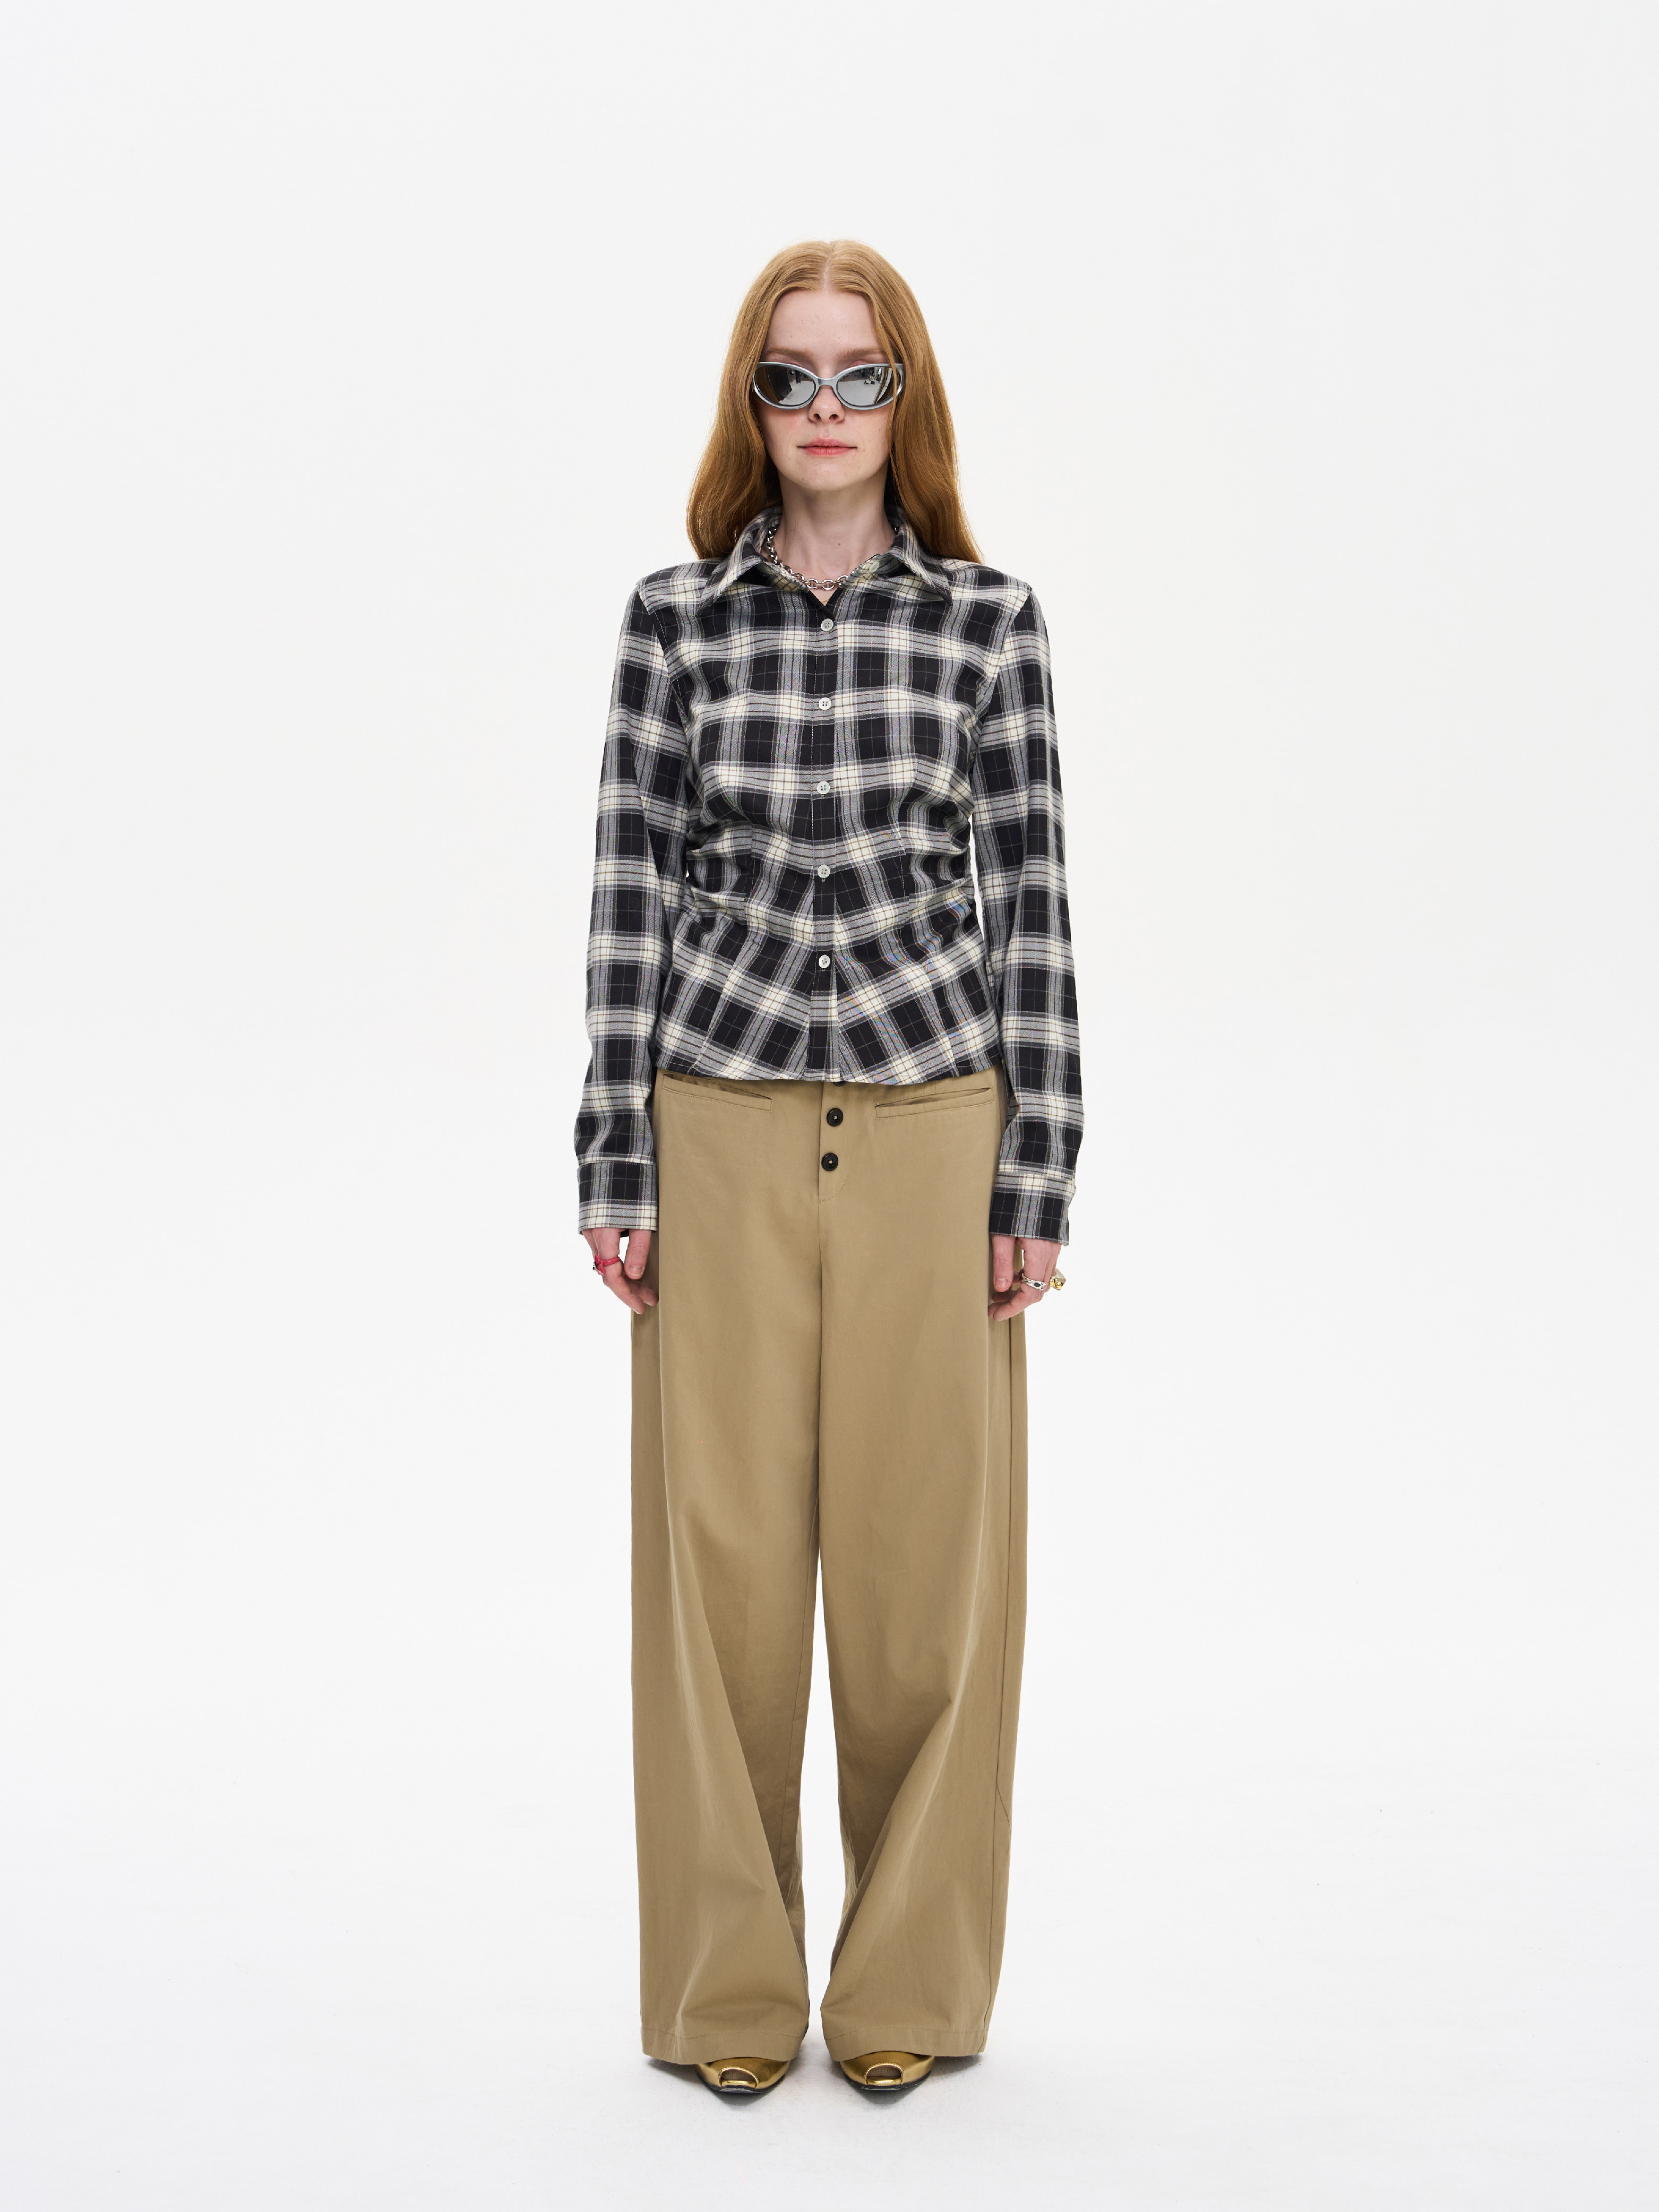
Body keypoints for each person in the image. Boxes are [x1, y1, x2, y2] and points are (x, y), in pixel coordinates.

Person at [573, 239, 1083, 2096]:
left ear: (906, 396)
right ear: (751, 401)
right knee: (713, 1583)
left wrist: (1039, 1178)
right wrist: (613, 1159)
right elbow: (632, 891)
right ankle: (725, 1999)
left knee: (921, 1579)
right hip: (716, 1123)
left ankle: (905, 1996)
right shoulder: (672, 623)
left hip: (938, 1127)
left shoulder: (990, 625)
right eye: (788, 377)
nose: (825, 409)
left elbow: (1031, 904)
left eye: (860, 375)